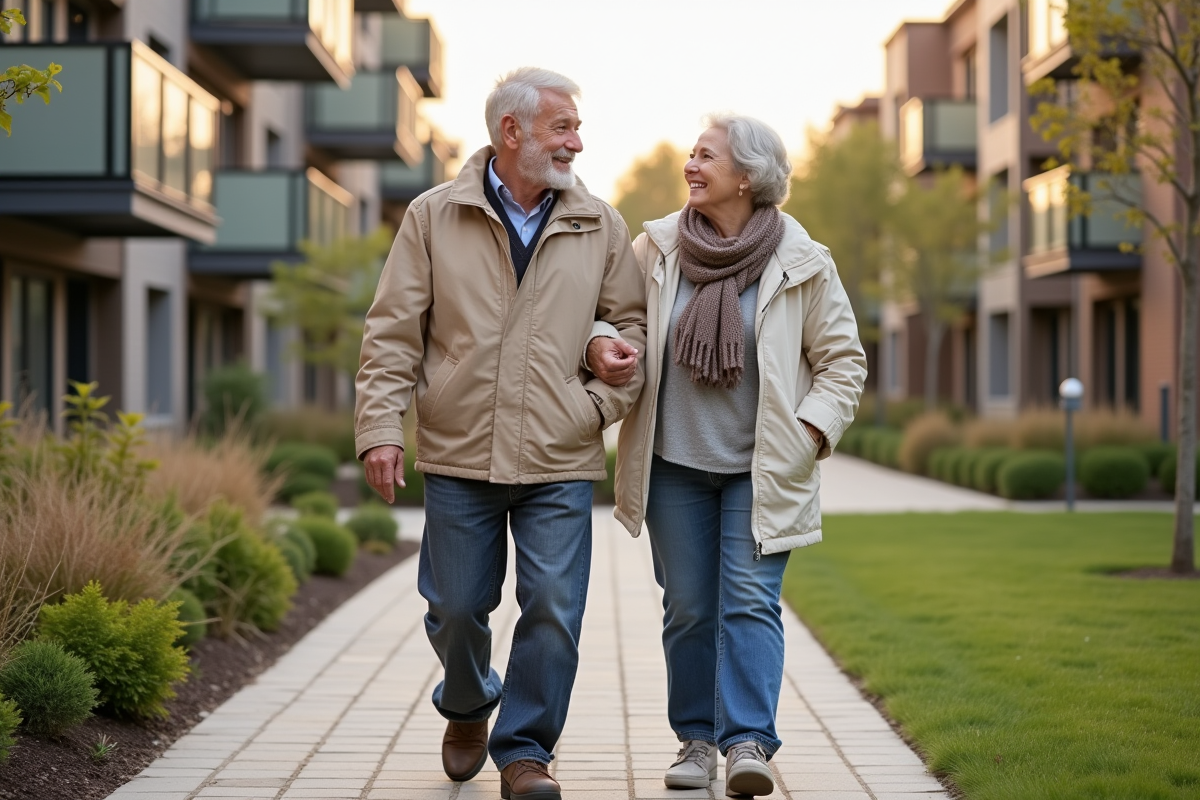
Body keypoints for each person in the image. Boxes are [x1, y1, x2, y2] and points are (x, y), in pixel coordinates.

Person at [354, 67, 647, 800]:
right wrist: (380, 430)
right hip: (458, 453)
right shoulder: (432, 216)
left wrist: (595, 400)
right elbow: (393, 333)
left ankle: (525, 753)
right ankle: (466, 702)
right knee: (456, 608)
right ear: (510, 132)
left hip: (559, 453)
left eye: (576, 128)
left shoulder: (600, 224)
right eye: (563, 127)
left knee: (553, 606)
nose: (577, 142)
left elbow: (631, 331)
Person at [596, 115, 866, 797]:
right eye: (691, 153)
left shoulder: (804, 261)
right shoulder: (655, 250)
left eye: (706, 156)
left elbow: (842, 363)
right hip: (675, 467)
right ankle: (695, 741)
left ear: (746, 177)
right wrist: (607, 342)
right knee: (688, 606)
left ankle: (747, 741)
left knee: (748, 603)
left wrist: (808, 434)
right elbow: (612, 316)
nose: (691, 164)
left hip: (761, 469)